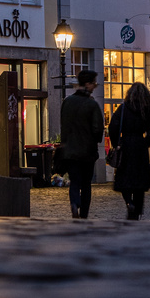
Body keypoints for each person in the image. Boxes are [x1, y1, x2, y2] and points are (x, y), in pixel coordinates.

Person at [108, 82, 150, 220]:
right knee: (139, 183)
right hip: (139, 147)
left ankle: (128, 202)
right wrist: (145, 142)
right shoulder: (147, 109)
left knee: (124, 178)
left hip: (125, 145)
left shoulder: (124, 108)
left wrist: (116, 143)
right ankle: (136, 211)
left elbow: (113, 126)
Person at [60, 69, 103, 219]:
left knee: (74, 181)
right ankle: (83, 213)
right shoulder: (91, 105)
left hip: (70, 150)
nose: (94, 87)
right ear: (88, 84)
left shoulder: (68, 102)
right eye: (94, 83)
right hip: (87, 152)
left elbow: (63, 126)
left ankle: (74, 203)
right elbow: (98, 129)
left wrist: (65, 143)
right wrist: (96, 139)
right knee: (86, 184)